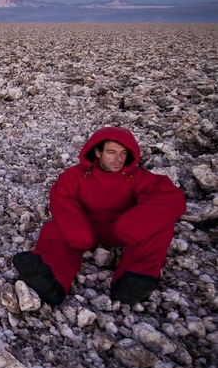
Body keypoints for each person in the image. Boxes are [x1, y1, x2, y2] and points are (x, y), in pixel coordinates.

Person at [13, 126, 186, 306]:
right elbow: (61, 198)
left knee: (162, 225)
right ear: (97, 152)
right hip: (84, 228)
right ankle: (51, 279)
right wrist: (79, 233)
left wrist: (133, 225)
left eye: (123, 153)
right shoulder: (75, 176)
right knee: (54, 228)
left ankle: (134, 281)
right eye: (111, 152)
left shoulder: (137, 177)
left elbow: (171, 197)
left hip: (124, 232)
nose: (118, 159)